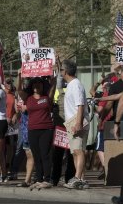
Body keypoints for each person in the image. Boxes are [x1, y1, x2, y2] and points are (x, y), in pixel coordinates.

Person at [17, 69, 56, 189]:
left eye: (39, 83)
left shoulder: (47, 97)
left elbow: (53, 85)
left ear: (42, 85)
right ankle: (39, 179)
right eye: (34, 83)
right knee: (36, 155)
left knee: (45, 154)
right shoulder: (28, 98)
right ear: (31, 86)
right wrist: (19, 75)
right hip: (32, 130)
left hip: (46, 129)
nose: (36, 85)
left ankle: (47, 179)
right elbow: (19, 89)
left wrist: (54, 73)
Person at [60, 59, 89, 189]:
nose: (60, 72)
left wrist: (78, 123)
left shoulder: (76, 84)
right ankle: (81, 179)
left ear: (65, 71)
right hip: (71, 121)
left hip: (76, 121)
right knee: (75, 152)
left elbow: (80, 105)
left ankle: (77, 178)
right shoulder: (71, 84)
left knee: (79, 150)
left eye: (61, 69)